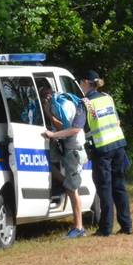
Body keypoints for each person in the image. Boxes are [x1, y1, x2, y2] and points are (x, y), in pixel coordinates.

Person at [80, 70, 132, 236]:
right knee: (119, 187)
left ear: (86, 82)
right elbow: (117, 120)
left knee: (104, 189)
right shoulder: (107, 97)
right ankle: (127, 226)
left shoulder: (86, 103)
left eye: (81, 82)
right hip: (118, 144)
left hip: (102, 148)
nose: (80, 85)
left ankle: (105, 228)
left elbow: (79, 126)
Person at [40, 86, 88, 238]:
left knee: (72, 190)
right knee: (67, 184)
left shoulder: (63, 105)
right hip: (69, 149)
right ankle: (77, 227)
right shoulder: (62, 103)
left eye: (44, 97)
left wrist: (52, 131)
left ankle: (79, 228)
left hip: (74, 150)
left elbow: (66, 128)